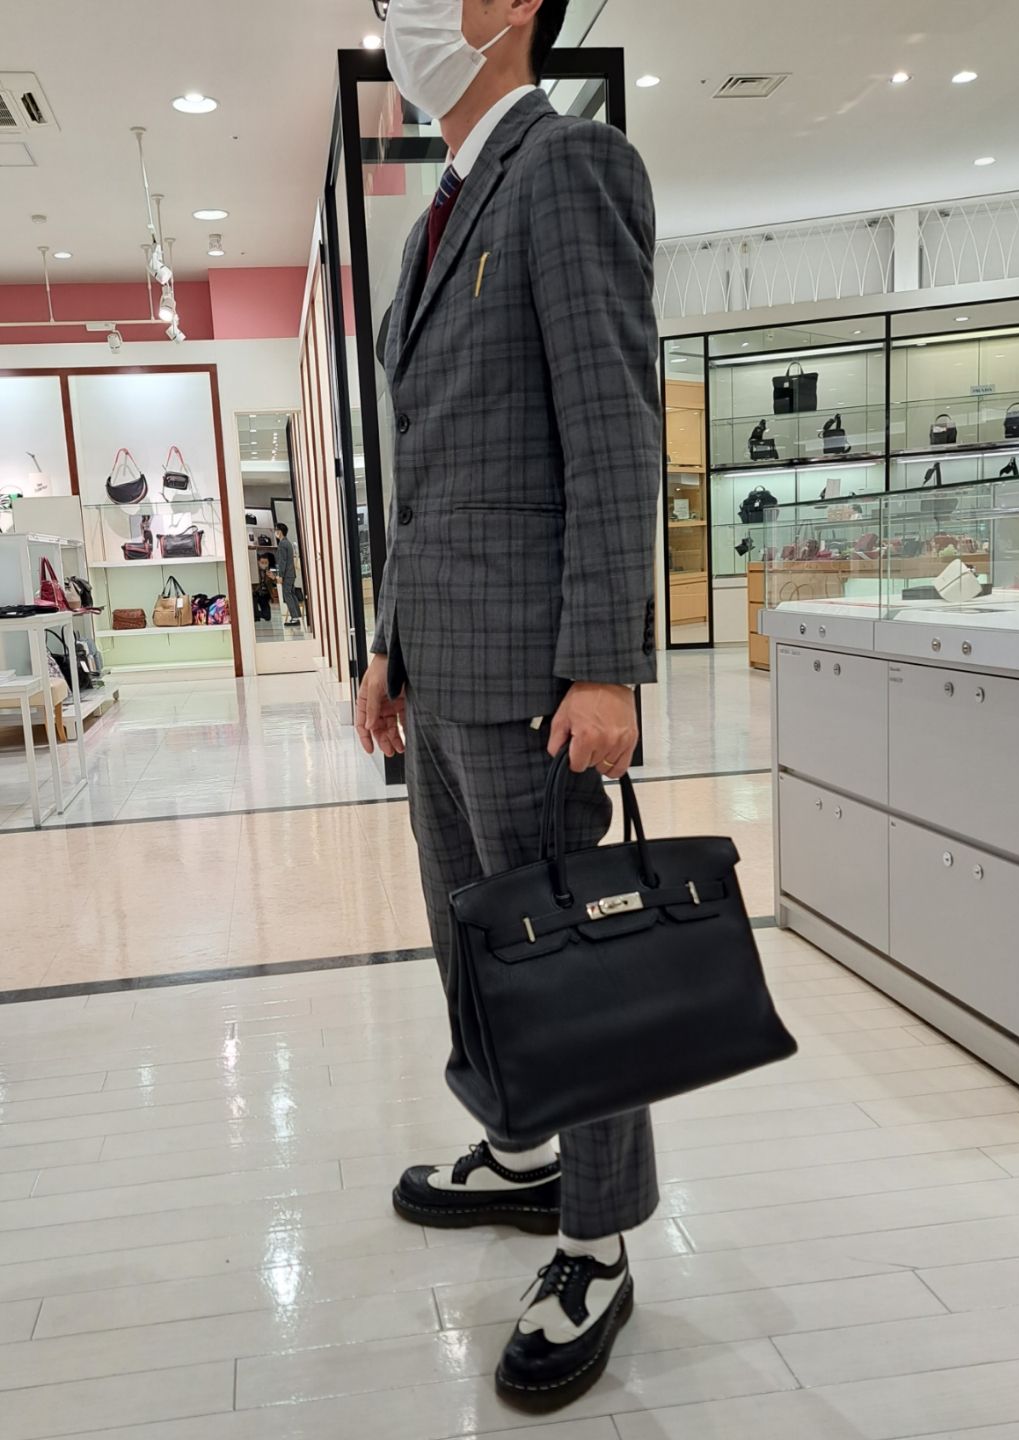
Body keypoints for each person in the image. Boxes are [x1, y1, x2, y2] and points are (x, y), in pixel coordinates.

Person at [357, 0, 661, 1411]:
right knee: (472, 950)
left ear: (511, 9)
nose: (399, 15)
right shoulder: (439, 216)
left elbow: (612, 431)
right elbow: (425, 467)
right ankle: (525, 1153)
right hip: (442, 670)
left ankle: (596, 1241)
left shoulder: (569, 166)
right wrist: (386, 644)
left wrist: (606, 664)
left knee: (568, 969)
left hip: (538, 682)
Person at [272, 523, 302, 627]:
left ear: (280, 531)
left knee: (287, 595)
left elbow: (282, 562)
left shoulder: (282, 544)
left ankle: (294, 618)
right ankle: (297, 616)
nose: (275, 532)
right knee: (292, 594)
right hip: (291, 573)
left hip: (287, 574)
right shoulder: (287, 543)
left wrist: (280, 575)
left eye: (276, 530)